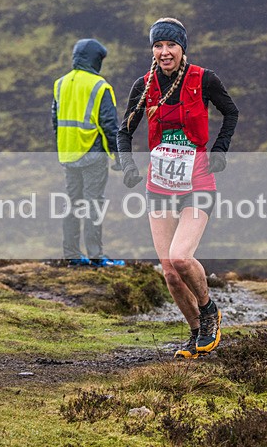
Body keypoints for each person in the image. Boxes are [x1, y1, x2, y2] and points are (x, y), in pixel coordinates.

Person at [117, 18, 239, 358]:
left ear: (182, 47)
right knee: (170, 273)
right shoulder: (144, 86)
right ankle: (195, 332)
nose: (164, 51)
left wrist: (220, 150)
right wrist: (128, 165)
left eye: (171, 45)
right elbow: (123, 131)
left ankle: (209, 311)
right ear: (152, 50)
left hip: (197, 182)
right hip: (160, 186)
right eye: (158, 45)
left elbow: (231, 112)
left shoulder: (203, 79)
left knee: (181, 257)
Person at [52, 38, 124, 267]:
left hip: (68, 154)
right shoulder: (99, 86)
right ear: (95, 60)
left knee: (72, 204)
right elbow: (110, 126)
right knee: (94, 204)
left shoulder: (60, 83)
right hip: (93, 155)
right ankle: (96, 256)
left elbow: (55, 120)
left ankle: (71, 254)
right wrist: (119, 156)